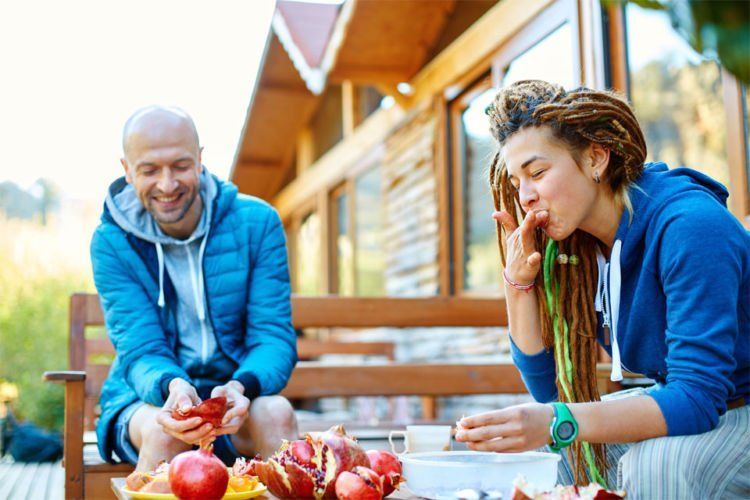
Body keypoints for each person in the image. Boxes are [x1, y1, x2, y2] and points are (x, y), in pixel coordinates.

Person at [454, 80, 749, 498]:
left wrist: (558, 420)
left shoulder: (690, 227)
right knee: (548, 453)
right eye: (518, 179)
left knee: (655, 466)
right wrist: (518, 284)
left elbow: (697, 398)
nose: (524, 195)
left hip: (737, 409)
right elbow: (554, 392)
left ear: (596, 157)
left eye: (537, 172)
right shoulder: (580, 248)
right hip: (696, 404)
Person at [91, 106, 298, 471]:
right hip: (148, 395)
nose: (167, 184)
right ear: (127, 170)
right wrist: (172, 386)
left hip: (237, 396)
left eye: (181, 166)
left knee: (278, 414)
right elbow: (140, 349)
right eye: (149, 170)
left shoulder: (259, 223)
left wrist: (240, 387)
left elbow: (272, 336)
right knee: (165, 433)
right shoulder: (110, 242)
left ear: (201, 160)